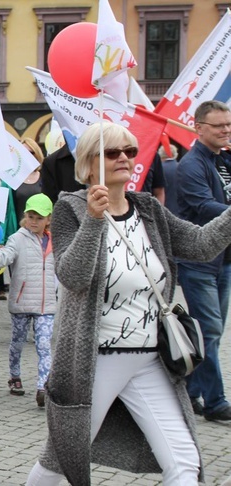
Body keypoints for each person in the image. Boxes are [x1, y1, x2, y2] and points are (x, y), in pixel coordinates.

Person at [25, 121, 231, 485]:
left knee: (184, 462)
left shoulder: (148, 209)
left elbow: (200, 245)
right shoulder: (70, 209)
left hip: (152, 358)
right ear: (89, 164)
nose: (124, 158)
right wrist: (92, 219)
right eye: (112, 152)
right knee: (59, 460)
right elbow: (73, 276)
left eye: (130, 151)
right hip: (96, 360)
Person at [176, 100, 231, 422]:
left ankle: (188, 391)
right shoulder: (191, 164)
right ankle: (216, 402)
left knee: (214, 332)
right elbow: (204, 206)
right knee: (208, 330)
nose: (225, 130)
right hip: (199, 261)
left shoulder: (223, 158)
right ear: (199, 128)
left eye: (228, 124)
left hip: (223, 259)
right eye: (219, 126)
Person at [0, 193, 56, 408]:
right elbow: (2, 259)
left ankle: (42, 387)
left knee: (44, 345)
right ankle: (14, 375)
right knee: (18, 342)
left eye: (39, 218)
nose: (34, 221)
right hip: (22, 303)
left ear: (48, 218)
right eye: (30, 216)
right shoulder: (17, 238)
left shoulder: (56, 240)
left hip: (46, 304)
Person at [160, 144, 180, 215]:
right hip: (181, 212)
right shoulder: (183, 168)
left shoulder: (159, 169)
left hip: (164, 211)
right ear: (175, 154)